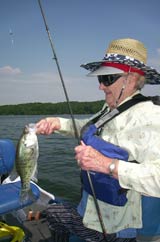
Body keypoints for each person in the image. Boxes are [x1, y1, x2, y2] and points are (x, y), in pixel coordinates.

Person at [36, 38, 160, 242]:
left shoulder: (152, 117)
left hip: (117, 228)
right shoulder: (110, 110)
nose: (101, 87)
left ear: (130, 78)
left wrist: (107, 165)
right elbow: (88, 127)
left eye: (107, 78)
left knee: (53, 214)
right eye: (99, 79)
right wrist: (57, 122)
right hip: (90, 210)